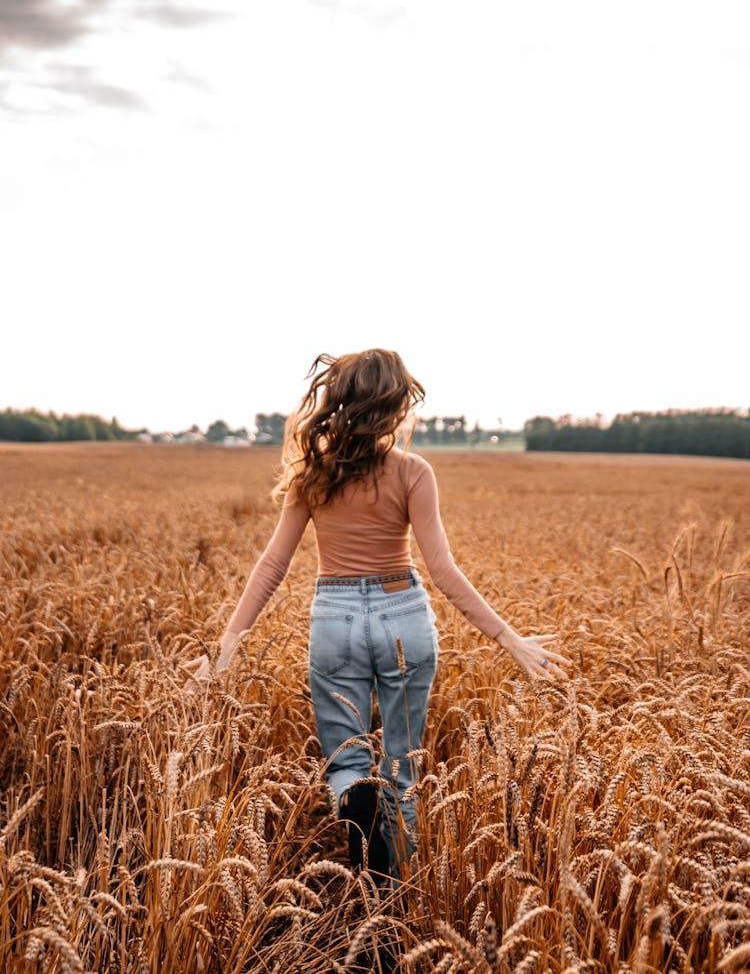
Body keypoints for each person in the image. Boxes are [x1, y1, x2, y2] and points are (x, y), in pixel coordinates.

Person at [184, 349, 570, 880]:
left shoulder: (314, 474)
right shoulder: (413, 473)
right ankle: (394, 896)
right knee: (402, 769)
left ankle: (355, 808)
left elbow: (273, 563)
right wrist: (512, 640)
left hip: (335, 618)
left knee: (346, 761)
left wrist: (225, 649)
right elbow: (443, 569)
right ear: (392, 407)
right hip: (403, 619)